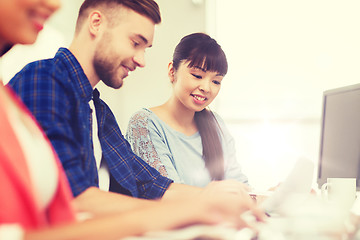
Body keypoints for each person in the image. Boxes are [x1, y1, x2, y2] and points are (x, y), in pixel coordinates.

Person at [0, 0, 264, 239]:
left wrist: (221, 200)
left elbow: (148, 182)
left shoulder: (99, 110)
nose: (141, 60)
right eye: (135, 43)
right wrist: (193, 209)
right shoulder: (45, 80)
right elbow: (74, 199)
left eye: (145, 48)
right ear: (96, 23)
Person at [126, 32, 249, 187]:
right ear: (172, 71)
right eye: (197, 76)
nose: (206, 88)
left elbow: (237, 182)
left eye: (216, 81)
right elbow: (168, 192)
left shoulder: (216, 124)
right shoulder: (145, 123)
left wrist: (269, 196)